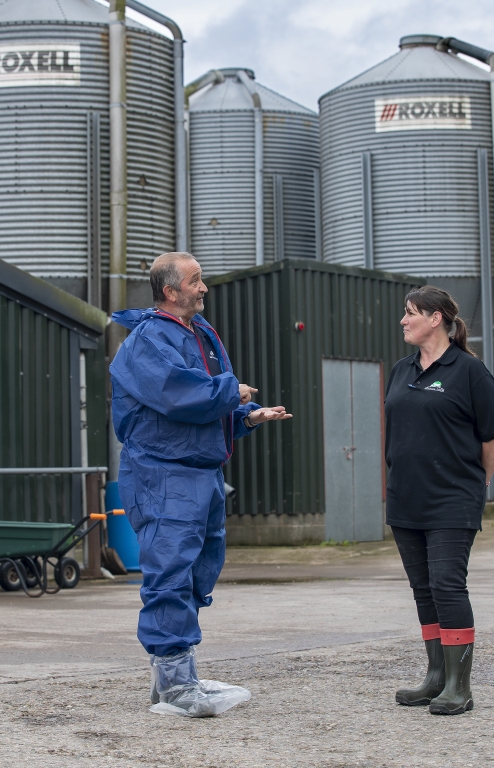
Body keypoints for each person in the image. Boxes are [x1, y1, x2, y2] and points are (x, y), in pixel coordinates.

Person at [109, 251, 292, 717]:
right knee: (170, 571)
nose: (203, 287)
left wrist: (246, 416)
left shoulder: (201, 333)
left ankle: (176, 677)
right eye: (195, 280)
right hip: (163, 474)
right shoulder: (148, 340)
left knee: (196, 570)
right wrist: (237, 390)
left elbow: (206, 405)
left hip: (200, 472)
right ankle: (174, 688)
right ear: (171, 291)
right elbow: (179, 394)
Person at [384, 285, 494, 715]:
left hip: (452, 499)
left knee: (447, 585)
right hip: (406, 499)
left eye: (410, 313)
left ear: (435, 318)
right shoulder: (402, 370)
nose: (403, 320)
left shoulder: (469, 371)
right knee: (423, 590)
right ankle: (435, 677)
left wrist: (478, 481)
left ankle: (459, 685)